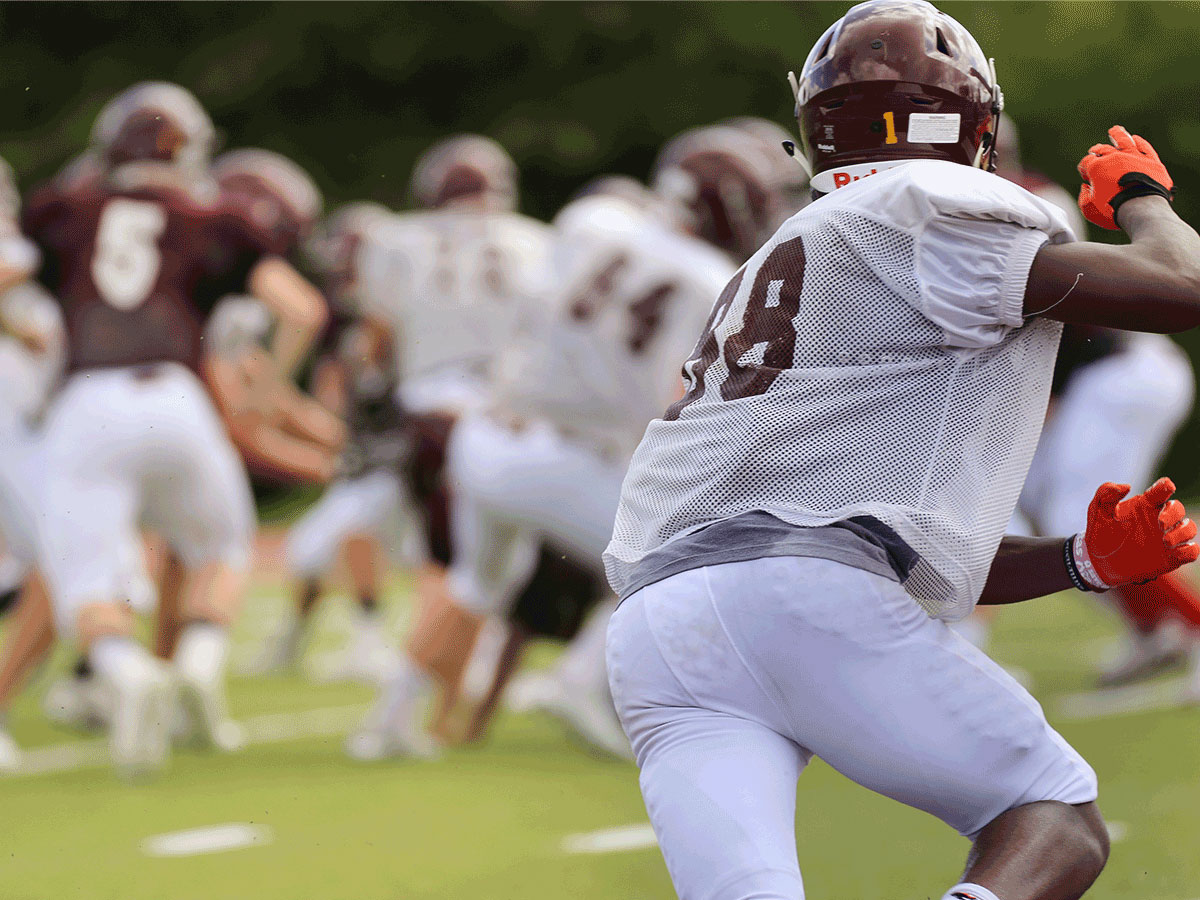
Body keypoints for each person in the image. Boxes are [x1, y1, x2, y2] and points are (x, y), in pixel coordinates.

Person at [602, 2, 1200, 898]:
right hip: (802, 597)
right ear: (968, 122)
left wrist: (1078, 560)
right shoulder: (923, 206)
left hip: (659, 627)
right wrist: (1140, 196)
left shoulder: (789, 253)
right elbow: (1180, 287)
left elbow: (849, 535)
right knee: (1052, 815)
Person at [21, 82, 323, 776]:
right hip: (179, 400)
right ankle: (198, 658)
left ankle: (126, 672)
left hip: (87, 403)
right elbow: (301, 311)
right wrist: (269, 391)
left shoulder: (64, 209)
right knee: (222, 545)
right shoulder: (213, 214)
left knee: (88, 576)